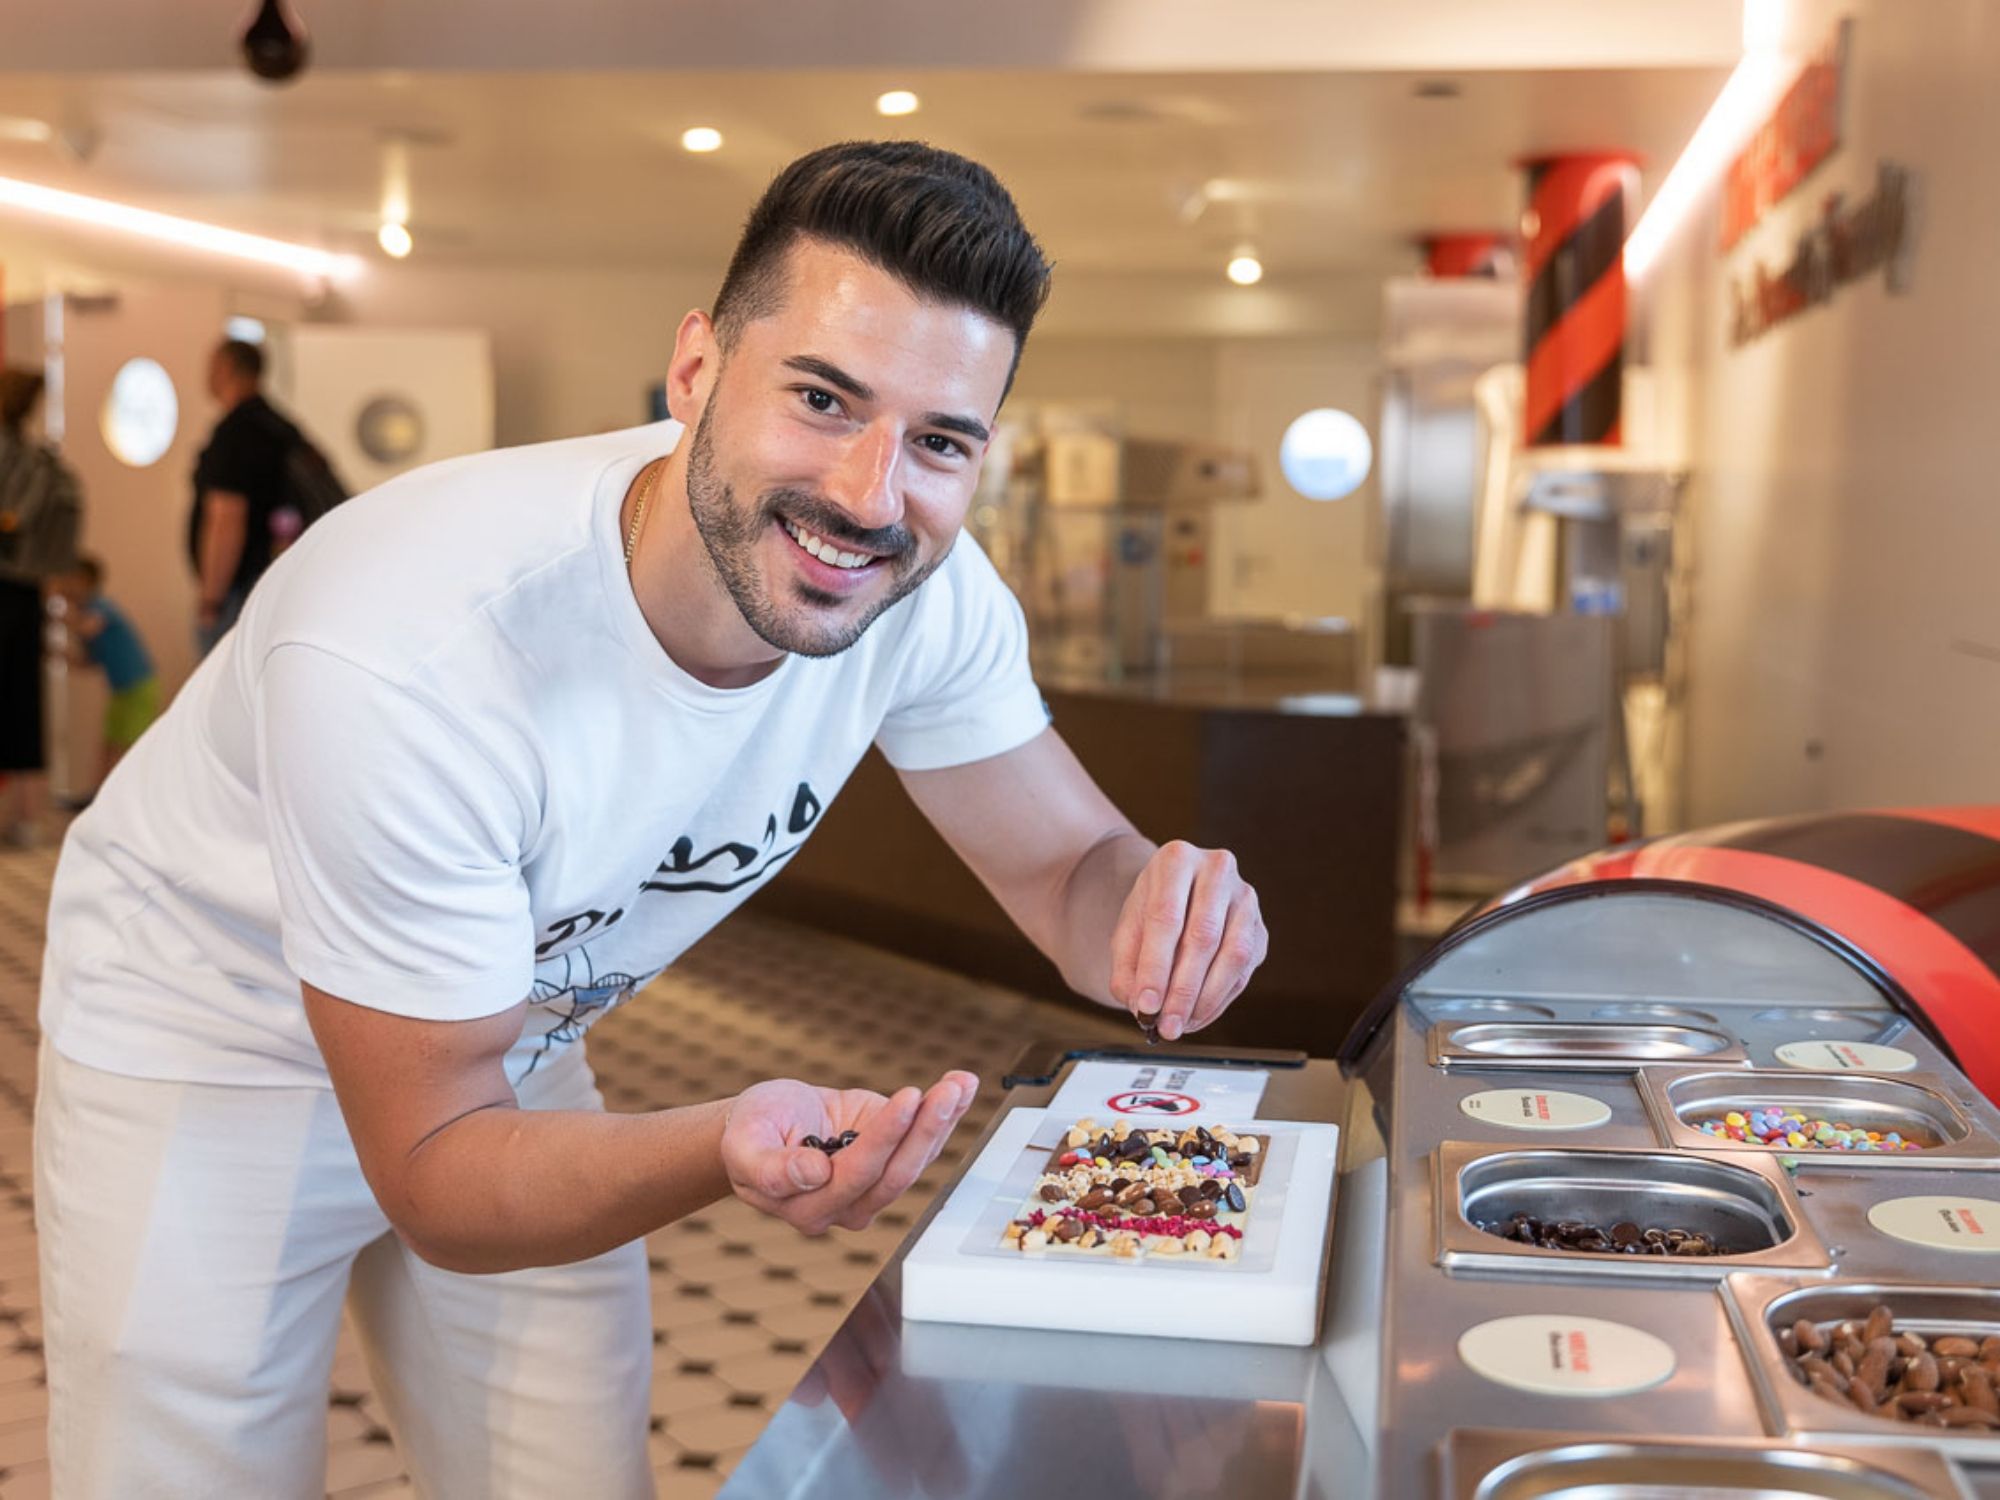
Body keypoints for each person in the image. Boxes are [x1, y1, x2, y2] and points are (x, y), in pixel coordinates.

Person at [38, 141, 1270, 1498]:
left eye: (939, 441)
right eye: (821, 397)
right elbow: (439, 1172)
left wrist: (1163, 911)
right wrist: (721, 1141)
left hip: (506, 1036)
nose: (870, 496)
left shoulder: (927, 593)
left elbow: (1069, 868)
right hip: (209, 1041)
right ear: (695, 372)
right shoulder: (413, 654)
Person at [186, 336, 307, 654]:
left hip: (239, 591)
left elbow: (226, 519)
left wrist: (211, 599)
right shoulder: (279, 426)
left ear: (225, 369)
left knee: (224, 692)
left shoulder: (235, 433)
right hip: (275, 583)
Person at [0, 367, 80, 846]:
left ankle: (24, 816)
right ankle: (25, 816)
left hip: (14, 589)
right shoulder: (29, 458)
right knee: (22, 700)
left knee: (20, 700)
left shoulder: (26, 457)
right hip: (19, 589)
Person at [56, 554, 160, 784]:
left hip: (138, 686)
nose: (64, 586)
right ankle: (97, 798)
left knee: (130, 746)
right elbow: (89, 660)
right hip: (121, 690)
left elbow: (88, 627)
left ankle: (129, 796)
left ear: (85, 581)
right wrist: (59, 655)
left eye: (69, 580)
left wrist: (56, 615)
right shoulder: (86, 613)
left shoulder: (100, 606)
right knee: (109, 745)